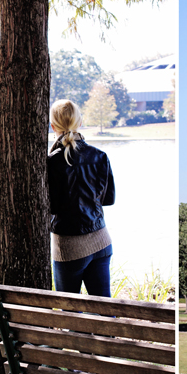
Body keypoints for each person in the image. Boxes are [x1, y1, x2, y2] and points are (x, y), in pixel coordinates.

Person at [48, 99, 116, 297]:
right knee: (104, 311)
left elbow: (51, 205)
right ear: (79, 123)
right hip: (101, 241)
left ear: (53, 126)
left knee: (70, 315)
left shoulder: (52, 162)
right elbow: (108, 199)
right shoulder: (100, 156)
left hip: (69, 247)